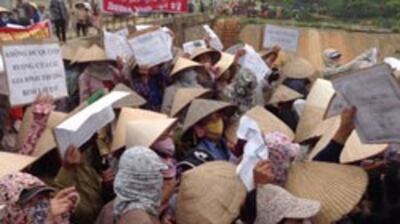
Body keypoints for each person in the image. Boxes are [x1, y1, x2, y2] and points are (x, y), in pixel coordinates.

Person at [113, 146, 167, 224]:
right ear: (146, 180)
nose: (161, 179)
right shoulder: (139, 219)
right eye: (157, 174)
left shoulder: (115, 206)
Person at [0, 172, 79, 224]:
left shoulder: (55, 217)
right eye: (31, 203)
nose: (43, 206)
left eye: (43, 197)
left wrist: (61, 217)